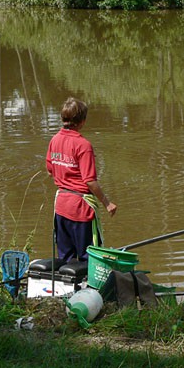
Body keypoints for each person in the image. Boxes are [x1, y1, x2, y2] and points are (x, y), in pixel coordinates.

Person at [46, 97, 117, 262]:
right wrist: (107, 203)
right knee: (90, 258)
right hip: (81, 209)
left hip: (61, 207)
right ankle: (91, 288)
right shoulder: (83, 145)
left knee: (66, 259)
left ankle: (69, 287)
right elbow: (90, 181)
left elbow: (50, 171)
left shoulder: (54, 140)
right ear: (82, 121)